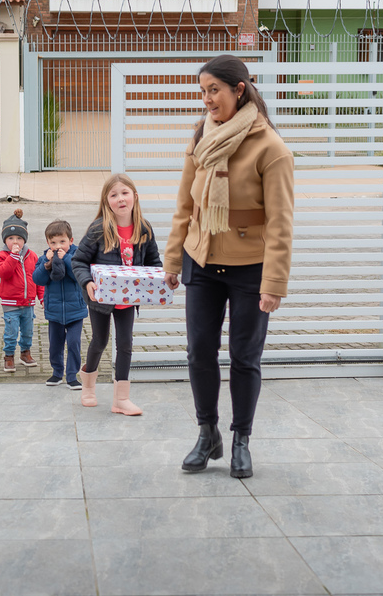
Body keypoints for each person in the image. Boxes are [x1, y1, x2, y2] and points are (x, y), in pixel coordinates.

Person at [162, 55, 295, 479]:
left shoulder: (271, 148)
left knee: (244, 357)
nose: (206, 99)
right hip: (202, 261)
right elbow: (186, 203)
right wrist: (173, 258)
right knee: (199, 351)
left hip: (249, 267)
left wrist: (273, 283)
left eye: (213, 90)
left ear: (239, 90)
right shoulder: (202, 134)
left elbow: (280, 222)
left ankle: (241, 439)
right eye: (202, 91)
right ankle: (208, 434)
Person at [72, 174, 162, 415]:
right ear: (106, 201)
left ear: (135, 196)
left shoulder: (144, 229)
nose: (120, 198)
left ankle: (121, 400)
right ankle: (88, 386)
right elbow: (78, 260)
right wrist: (87, 282)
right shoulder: (98, 229)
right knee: (100, 341)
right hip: (100, 300)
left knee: (125, 344)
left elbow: (154, 263)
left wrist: (161, 281)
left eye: (125, 193)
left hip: (128, 300)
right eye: (114, 195)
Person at [32, 219, 87, 390]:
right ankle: (57, 373)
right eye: (53, 242)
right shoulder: (44, 258)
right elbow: (37, 279)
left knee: (73, 343)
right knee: (55, 345)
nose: (58, 246)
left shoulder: (76, 257)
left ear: (71, 241)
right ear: (48, 243)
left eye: (62, 241)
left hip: (75, 311)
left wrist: (67, 259)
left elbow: (79, 275)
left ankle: (72, 375)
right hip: (55, 311)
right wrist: (46, 265)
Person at [0, 209, 44, 373]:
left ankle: (25, 353)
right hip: (10, 303)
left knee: (28, 330)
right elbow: (3, 273)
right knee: (11, 331)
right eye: (11, 238)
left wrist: (42, 297)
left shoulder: (32, 256)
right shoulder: (1, 256)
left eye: (19, 238)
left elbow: (39, 279)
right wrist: (13, 257)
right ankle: (9, 356)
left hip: (28, 303)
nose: (15, 242)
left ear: (24, 240)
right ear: (5, 240)